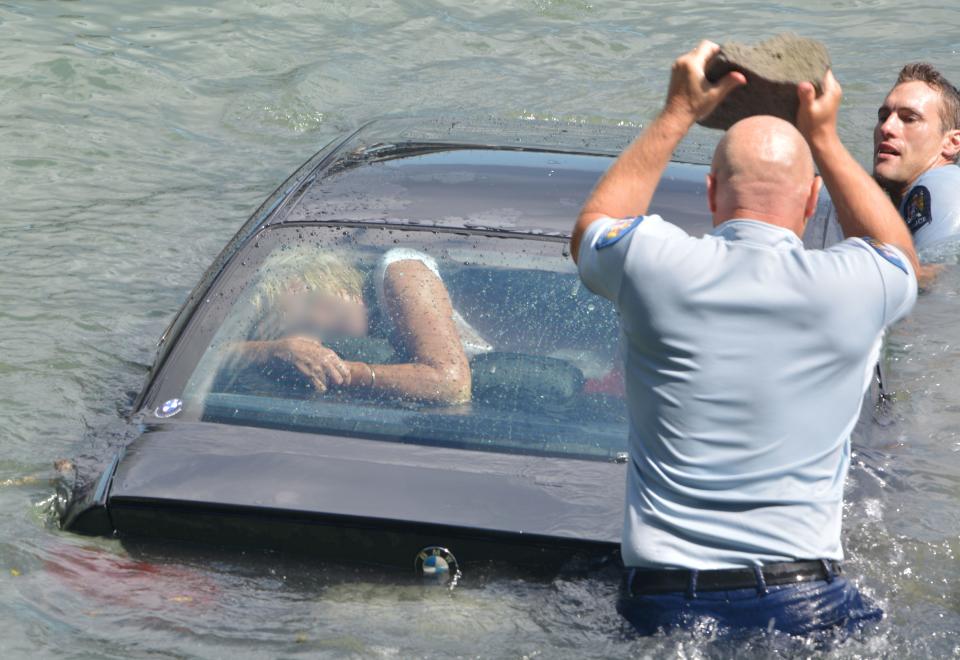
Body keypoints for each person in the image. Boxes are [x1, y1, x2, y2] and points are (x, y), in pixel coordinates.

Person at [571, 41, 918, 636]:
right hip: (804, 597)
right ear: (813, 200)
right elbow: (897, 254)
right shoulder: (855, 285)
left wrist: (677, 112)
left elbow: (591, 229)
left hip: (664, 600)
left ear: (710, 195)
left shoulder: (651, 263)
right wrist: (827, 140)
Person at [226, 247, 489, 405]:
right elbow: (207, 353)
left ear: (331, 275)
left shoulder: (402, 271)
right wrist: (271, 350)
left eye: (313, 299)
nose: (319, 321)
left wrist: (336, 370)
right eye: (305, 327)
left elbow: (451, 384)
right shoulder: (366, 330)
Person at [873, 63, 960, 250]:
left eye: (909, 119)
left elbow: (933, 274)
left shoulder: (942, 184)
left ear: (952, 143)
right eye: (883, 117)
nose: (886, 128)